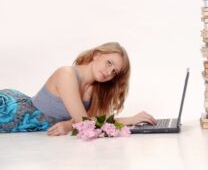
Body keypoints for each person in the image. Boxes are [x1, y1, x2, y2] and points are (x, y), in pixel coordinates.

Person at [0, 42, 156, 135]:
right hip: (11, 112)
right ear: (97, 55)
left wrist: (71, 125)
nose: (109, 72)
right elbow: (85, 123)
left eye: (115, 71)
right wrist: (130, 120)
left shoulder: (95, 90)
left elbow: (92, 123)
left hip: (32, 127)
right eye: (109, 62)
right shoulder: (66, 74)